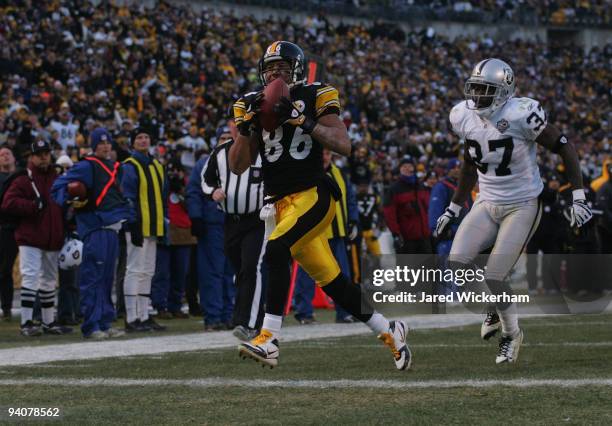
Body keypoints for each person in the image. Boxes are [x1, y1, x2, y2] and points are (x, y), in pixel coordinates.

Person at [229, 40, 411, 370]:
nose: (275, 75)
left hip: (312, 195)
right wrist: (246, 128)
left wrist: (304, 122)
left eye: (282, 68)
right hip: (278, 204)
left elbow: (343, 145)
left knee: (276, 250)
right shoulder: (250, 103)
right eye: (269, 69)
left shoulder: (315, 94)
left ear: (296, 69)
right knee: (336, 284)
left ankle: (269, 338)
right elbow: (238, 165)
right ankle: (391, 331)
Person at [434, 58, 593, 364]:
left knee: (495, 275)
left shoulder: (522, 114)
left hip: (522, 203)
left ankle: (512, 334)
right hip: (487, 201)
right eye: (475, 88)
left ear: (504, 91)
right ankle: (493, 308)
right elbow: (469, 164)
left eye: (485, 89)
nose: (477, 96)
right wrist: (453, 208)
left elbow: (564, 147)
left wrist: (579, 196)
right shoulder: (463, 115)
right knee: (457, 265)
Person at [52, 128, 131, 339]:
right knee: (92, 278)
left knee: (107, 279)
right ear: (93, 145)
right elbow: (59, 185)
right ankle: (91, 325)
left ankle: (105, 322)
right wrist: (69, 200)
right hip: (95, 226)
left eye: (108, 143)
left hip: (112, 227)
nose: (105, 146)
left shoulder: (115, 166)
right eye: (101, 143)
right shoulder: (87, 166)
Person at [202, 121, 265, 341]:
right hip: (231, 220)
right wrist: (213, 191)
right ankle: (257, 315)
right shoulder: (219, 152)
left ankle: (247, 323)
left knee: (251, 268)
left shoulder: (265, 150)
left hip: (258, 220)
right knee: (239, 271)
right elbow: (205, 178)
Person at [2, 140, 70, 336]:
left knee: (49, 281)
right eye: (39, 153)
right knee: (30, 278)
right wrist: (32, 206)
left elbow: (62, 206)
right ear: (30, 157)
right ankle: (26, 323)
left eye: (46, 153)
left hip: (52, 236)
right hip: (30, 236)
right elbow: (8, 204)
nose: (43, 157)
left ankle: (48, 322)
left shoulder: (57, 177)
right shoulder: (23, 178)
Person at [293, 148, 359, 324]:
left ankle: (344, 312)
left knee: (341, 275)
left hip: (337, 234)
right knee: (307, 274)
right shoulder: (306, 172)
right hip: (312, 233)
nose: (325, 156)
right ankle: (304, 312)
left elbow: (350, 199)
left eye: (328, 153)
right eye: (322, 152)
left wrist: (353, 221)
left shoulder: (340, 173)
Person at [121, 128, 168, 332]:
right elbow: (127, 196)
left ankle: (144, 315)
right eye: (138, 137)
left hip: (154, 225)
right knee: (134, 270)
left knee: (147, 271)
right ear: (132, 143)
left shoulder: (157, 165)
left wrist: (163, 223)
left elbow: (163, 197)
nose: (143, 140)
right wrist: (132, 222)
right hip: (138, 225)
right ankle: (132, 318)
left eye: (146, 137)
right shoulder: (129, 165)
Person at [186, 136, 235, 331]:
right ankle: (213, 316)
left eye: (229, 139)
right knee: (211, 272)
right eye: (222, 138)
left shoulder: (240, 162)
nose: (225, 142)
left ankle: (228, 314)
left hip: (233, 223)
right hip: (212, 223)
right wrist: (196, 218)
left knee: (230, 273)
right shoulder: (204, 163)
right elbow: (193, 192)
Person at [150, 160, 194, 319]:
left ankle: (175, 305)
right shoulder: (160, 185)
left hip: (183, 233)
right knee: (162, 272)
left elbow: (191, 205)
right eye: (171, 171)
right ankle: (160, 305)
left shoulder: (187, 184)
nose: (174, 174)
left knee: (180, 272)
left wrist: (181, 190)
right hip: (165, 230)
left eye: (177, 171)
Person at [383, 157, 432, 254]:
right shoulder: (394, 189)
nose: (407, 169)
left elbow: (428, 209)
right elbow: (389, 214)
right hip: (406, 239)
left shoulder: (421, 186)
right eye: (404, 166)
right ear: (400, 169)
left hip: (425, 237)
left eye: (409, 166)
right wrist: (396, 233)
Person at [0, 145, 18, 321]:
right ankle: (5, 307)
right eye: (2, 154)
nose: (5, 156)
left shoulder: (19, 177)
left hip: (17, 228)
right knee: (3, 270)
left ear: (13, 158)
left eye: (7, 154)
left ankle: (7, 307)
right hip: (3, 228)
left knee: (6, 269)